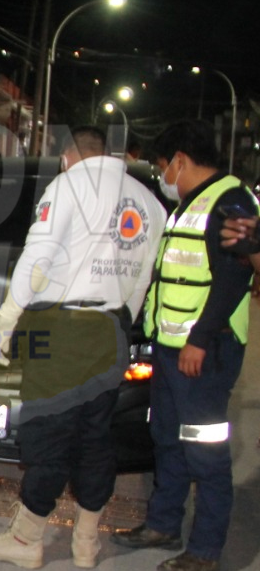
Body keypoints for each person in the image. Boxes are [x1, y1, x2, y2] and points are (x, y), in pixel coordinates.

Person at [0, 126, 166, 569]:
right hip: (110, 331)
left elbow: (36, 261)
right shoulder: (149, 202)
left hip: (62, 331)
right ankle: (86, 542)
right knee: (94, 439)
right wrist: (119, 322)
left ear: (67, 157)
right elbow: (141, 282)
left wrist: (6, 320)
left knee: (46, 436)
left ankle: (25, 542)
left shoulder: (70, 185)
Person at [110, 120, 257, 571]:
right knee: (167, 438)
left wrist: (198, 340)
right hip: (172, 349)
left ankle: (206, 550)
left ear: (179, 160)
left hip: (204, 354)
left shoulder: (231, 201)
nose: (163, 178)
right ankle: (162, 523)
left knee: (204, 449)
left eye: (162, 167)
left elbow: (234, 278)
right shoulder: (191, 204)